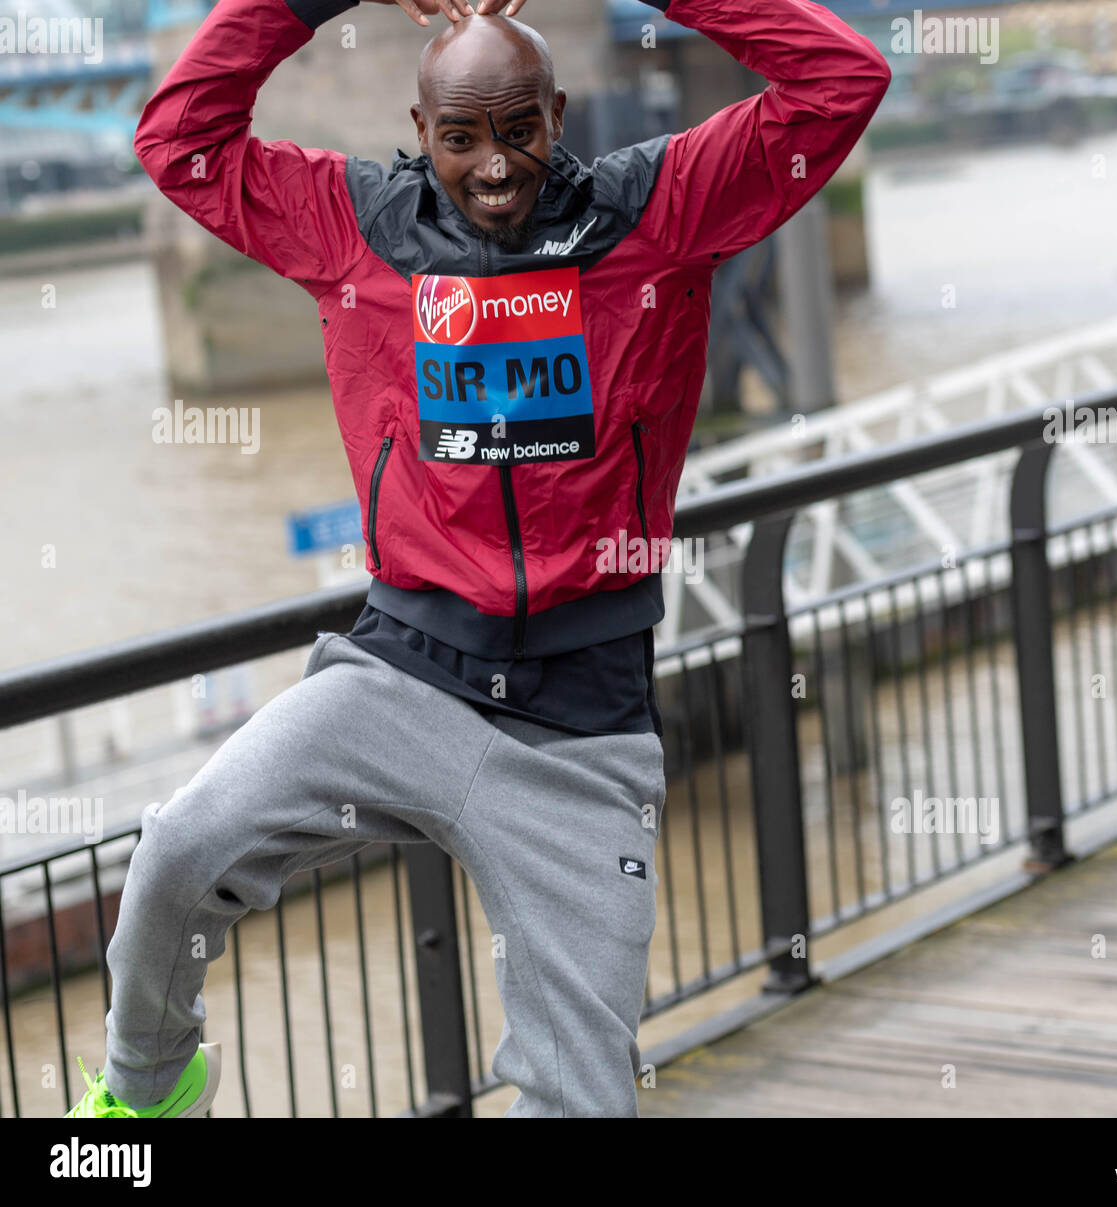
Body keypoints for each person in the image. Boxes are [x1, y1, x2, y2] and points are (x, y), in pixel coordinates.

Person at [67, 0, 890, 1118]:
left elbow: (840, 82)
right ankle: (144, 1103)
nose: (495, 167)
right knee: (176, 854)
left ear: (560, 115)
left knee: (583, 1096)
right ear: (420, 125)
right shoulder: (356, 225)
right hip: (399, 679)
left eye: (521, 130)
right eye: (461, 138)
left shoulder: (654, 214)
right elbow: (180, 139)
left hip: (581, 728)